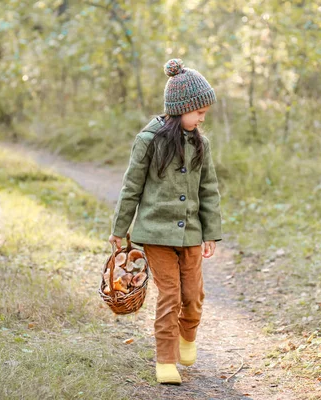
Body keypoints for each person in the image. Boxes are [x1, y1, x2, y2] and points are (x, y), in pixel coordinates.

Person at [108, 58, 222, 385]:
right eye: (198, 111)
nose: (202, 117)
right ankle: (165, 359)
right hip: (156, 234)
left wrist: (210, 232)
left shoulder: (202, 143)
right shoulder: (149, 141)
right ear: (180, 109)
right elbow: (132, 186)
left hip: (191, 236)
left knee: (193, 296)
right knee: (170, 295)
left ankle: (188, 336)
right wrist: (120, 229)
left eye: (205, 112)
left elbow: (209, 188)